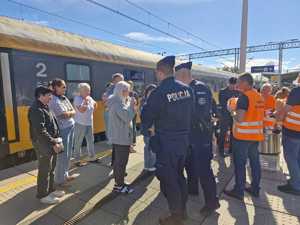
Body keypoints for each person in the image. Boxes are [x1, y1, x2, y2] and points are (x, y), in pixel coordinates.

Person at [141, 56, 194, 225]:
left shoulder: (159, 92)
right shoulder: (187, 89)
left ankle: (175, 216)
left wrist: (148, 128)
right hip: (184, 141)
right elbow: (191, 114)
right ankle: (182, 210)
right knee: (179, 176)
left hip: (166, 144)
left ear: (159, 72)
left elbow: (146, 117)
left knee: (168, 180)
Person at [175, 62, 220, 216]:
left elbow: (197, 113)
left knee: (204, 170)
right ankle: (193, 189)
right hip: (190, 136)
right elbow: (213, 106)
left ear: (183, 75)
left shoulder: (198, 88)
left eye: (176, 77)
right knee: (190, 165)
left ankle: (212, 202)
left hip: (200, 137)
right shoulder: (189, 88)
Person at [224, 73, 264, 200]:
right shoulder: (259, 96)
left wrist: (231, 111)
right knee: (255, 163)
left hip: (242, 137)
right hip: (255, 137)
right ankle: (255, 188)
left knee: (240, 164)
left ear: (246, 83)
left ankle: (238, 190)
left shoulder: (244, 97)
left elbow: (240, 118)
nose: (237, 85)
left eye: (239, 82)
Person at [28, 86, 65, 204]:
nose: (51, 97)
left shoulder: (45, 106)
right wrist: (53, 142)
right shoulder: (35, 109)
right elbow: (40, 130)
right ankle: (42, 195)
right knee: (45, 168)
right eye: (49, 95)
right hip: (43, 143)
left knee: (52, 167)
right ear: (41, 95)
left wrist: (57, 139)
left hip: (50, 141)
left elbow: (53, 122)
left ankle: (51, 190)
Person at [107, 81, 136, 194]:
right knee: (121, 162)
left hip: (120, 136)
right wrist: (132, 107)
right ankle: (119, 185)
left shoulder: (118, 101)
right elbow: (127, 117)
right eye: (127, 90)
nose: (128, 93)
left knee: (120, 161)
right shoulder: (117, 103)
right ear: (121, 91)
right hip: (120, 137)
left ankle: (120, 182)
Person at [49, 79, 78, 187]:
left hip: (70, 126)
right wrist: (70, 113)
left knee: (68, 153)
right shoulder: (53, 100)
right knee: (63, 155)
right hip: (62, 129)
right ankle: (59, 180)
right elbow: (62, 114)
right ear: (56, 87)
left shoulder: (64, 98)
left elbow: (73, 111)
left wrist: (69, 113)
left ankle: (65, 175)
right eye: (63, 87)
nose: (65, 89)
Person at [276, 75, 300, 195]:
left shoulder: (297, 91)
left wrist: (278, 117)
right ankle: (297, 181)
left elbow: (286, 110)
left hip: (293, 132)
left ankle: (296, 186)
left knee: (291, 158)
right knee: (297, 159)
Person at [73, 83, 98, 167]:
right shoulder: (78, 99)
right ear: (80, 91)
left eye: (89, 90)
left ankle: (92, 156)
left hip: (89, 123)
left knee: (91, 140)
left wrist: (92, 109)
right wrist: (86, 102)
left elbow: (95, 105)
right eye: (86, 90)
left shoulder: (89, 98)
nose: (89, 92)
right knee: (78, 141)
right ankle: (77, 159)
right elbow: (82, 110)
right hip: (80, 123)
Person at [218, 77, 240, 157]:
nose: (233, 87)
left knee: (233, 133)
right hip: (225, 115)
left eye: (234, 85)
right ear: (229, 83)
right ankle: (221, 150)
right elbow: (222, 103)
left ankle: (231, 150)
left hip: (234, 116)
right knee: (223, 133)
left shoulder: (238, 92)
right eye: (232, 85)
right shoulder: (222, 91)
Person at [141, 84, 157, 172]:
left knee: (147, 147)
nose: (152, 94)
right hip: (150, 129)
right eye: (150, 92)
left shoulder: (145, 102)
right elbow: (146, 117)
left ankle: (147, 165)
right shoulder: (146, 103)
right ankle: (151, 165)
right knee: (151, 148)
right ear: (146, 93)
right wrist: (151, 127)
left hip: (147, 129)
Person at [127, 80, 139, 149]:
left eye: (130, 85)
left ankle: (133, 141)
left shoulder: (134, 94)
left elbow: (137, 103)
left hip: (133, 112)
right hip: (127, 112)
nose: (130, 87)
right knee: (130, 128)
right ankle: (130, 141)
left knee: (133, 127)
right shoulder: (127, 93)